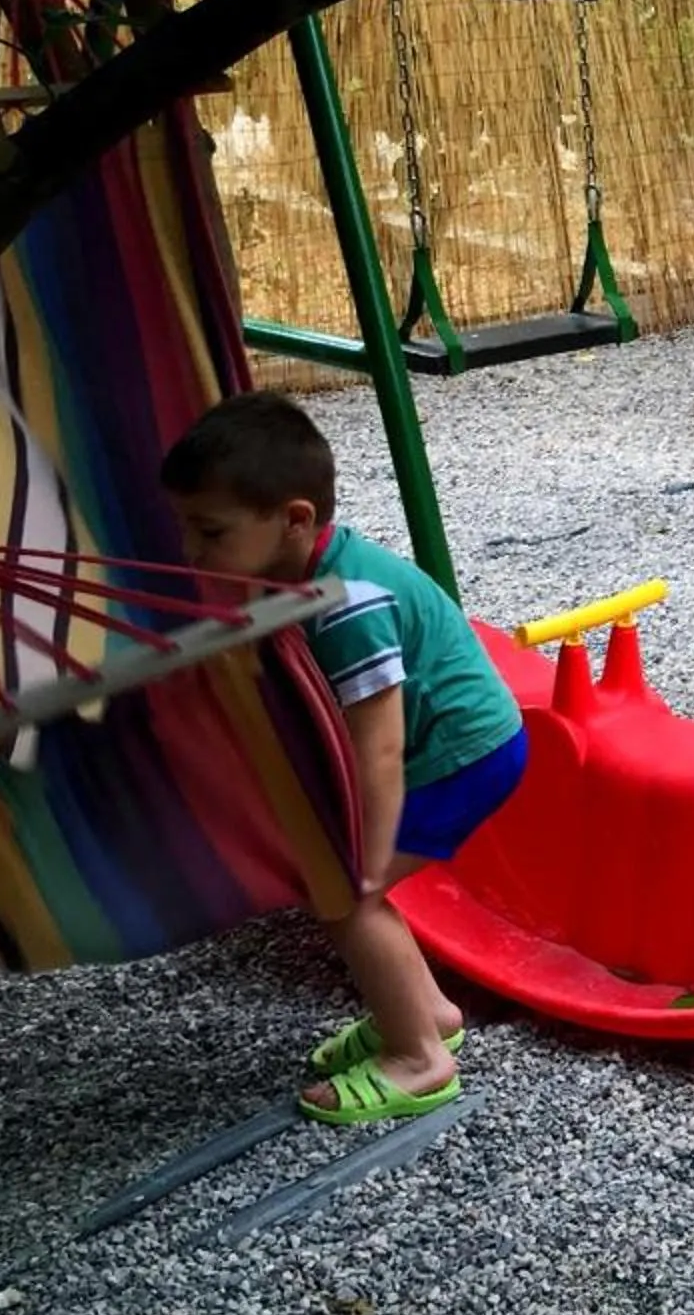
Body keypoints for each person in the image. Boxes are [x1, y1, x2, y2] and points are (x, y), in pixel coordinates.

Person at [160, 394, 525, 1125]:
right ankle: (425, 1013)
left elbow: (380, 741)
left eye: (211, 532)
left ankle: (419, 1059)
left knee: (345, 894)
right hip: (456, 749)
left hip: (460, 756)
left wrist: (360, 845)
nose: (193, 552)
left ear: (295, 520)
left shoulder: (347, 604)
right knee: (343, 889)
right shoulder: (308, 570)